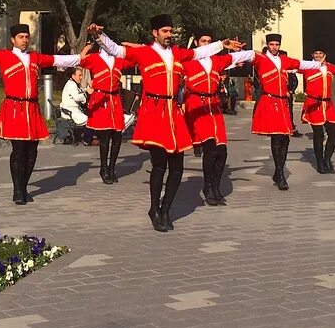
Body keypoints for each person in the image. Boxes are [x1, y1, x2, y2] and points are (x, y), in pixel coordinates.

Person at [91, 17, 241, 232]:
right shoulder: (143, 53)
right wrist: (98, 36)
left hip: (173, 112)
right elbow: (116, 50)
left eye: (170, 31)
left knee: (177, 168)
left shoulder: (178, 53)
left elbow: (199, 53)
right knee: (159, 165)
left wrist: (221, 45)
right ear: (155, 33)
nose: (169, 34)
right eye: (165, 30)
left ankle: (165, 208)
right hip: (153, 112)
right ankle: (155, 209)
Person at [0, 23, 83, 205]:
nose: (25, 40)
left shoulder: (35, 57)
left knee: (32, 151)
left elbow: (56, 60)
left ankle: (23, 186)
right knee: (18, 149)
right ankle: (17, 190)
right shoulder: (5, 56)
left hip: (32, 109)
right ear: (13, 40)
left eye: (26, 37)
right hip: (15, 108)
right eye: (21, 37)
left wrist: (79, 58)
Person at [182, 28, 253, 206]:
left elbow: (237, 58)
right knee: (210, 148)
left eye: (209, 41)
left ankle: (214, 186)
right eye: (203, 41)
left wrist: (256, 54)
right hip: (197, 105)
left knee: (222, 151)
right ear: (197, 43)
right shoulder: (187, 61)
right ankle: (208, 187)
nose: (206, 44)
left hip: (214, 107)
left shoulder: (217, 61)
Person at [251, 35, 332, 191]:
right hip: (269, 101)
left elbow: (300, 64)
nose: (274, 47)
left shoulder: (284, 60)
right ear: (267, 45)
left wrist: (319, 64)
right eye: (271, 44)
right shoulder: (261, 59)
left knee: (286, 139)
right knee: (276, 137)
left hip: (283, 103)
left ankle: (278, 170)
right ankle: (280, 174)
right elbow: (246, 58)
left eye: (277, 44)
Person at [80, 39, 137, 184]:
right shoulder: (95, 58)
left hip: (115, 100)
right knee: (104, 138)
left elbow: (135, 59)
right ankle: (103, 168)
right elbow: (80, 60)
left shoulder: (119, 59)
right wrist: (87, 48)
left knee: (117, 137)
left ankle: (112, 168)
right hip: (101, 99)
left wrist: (129, 45)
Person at [59, 67, 89, 147]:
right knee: (89, 120)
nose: (81, 77)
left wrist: (86, 90)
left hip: (73, 109)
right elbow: (77, 97)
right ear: (73, 76)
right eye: (79, 75)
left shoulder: (73, 84)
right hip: (70, 110)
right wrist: (84, 96)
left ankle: (87, 138)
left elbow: (79, 91)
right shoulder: (71, 84)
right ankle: (87, 139)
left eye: (81, 75)